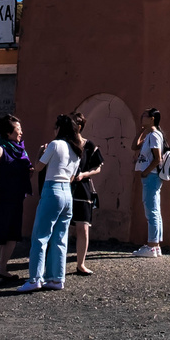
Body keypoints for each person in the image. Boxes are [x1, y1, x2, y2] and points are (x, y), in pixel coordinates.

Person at [18, 114, 81, 293]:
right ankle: (56, 278)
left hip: (52, 190)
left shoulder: (55, 144)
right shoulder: (76, 149)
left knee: (40, 236)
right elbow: (72, 176)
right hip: (67, 193)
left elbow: (38, 167)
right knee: (60, 238)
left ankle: (35, 278)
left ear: (60, 128)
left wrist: (39, 152)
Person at [0, 115, 31, 284]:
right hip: (3, 200)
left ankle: (2, 269)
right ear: (8, 132)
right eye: (18, 129)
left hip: (17, 198)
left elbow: (26, 170)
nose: (21, 132)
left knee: (12, 236)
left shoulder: (21, 149)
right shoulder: (0, 149)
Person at [68, 112, 104, 276]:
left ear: (79, 127)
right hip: (65, 188)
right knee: (62, 227)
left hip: (82, 189)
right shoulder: (64, 144)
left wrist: (84, 175)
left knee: (83, 228)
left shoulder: (89, 145)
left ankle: (80, 264)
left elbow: (98, 167)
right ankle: (55, 263)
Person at [131, 108, 165, 258]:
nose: (142, 117)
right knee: (154, 209)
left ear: (152, 118)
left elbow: (158, 158)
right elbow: (134, 146)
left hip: (151, 176)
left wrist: (145, 172)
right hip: (151, 176)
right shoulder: (150, 135)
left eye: (145, 115)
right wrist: (141, 131)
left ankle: (152, 245)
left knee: (151, 210)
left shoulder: (155, 136)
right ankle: (155, 245)